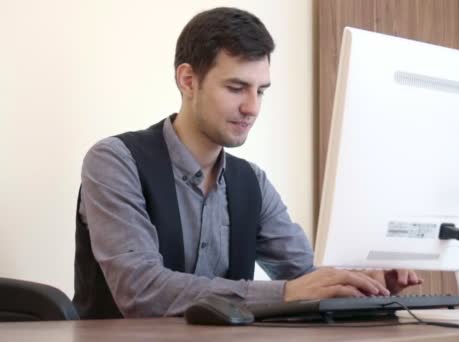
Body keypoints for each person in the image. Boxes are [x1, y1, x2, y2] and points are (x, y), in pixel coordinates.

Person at [73, 7, 421, 319]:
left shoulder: (251, 181)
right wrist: (285, 294)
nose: (252, 108)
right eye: (237, 88)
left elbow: (306, 275)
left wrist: (360, 282)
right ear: (188, 80)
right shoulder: (115, 162)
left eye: (261, 91)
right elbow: (141, 291)